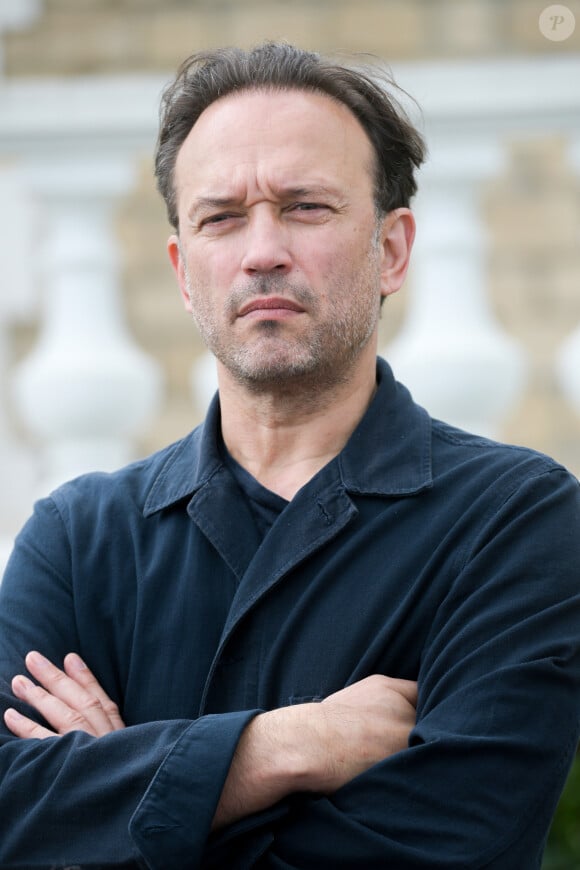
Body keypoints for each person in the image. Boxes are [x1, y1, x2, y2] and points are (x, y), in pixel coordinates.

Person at [1, 41, 579, 870]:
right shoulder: (76, 539)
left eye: (305, 206)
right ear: (182, 271)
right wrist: (274, 750)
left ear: (392, 250)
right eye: (221, 216)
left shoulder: (515, 521)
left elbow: (449, 851)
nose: (261, 249)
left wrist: (125, 785)